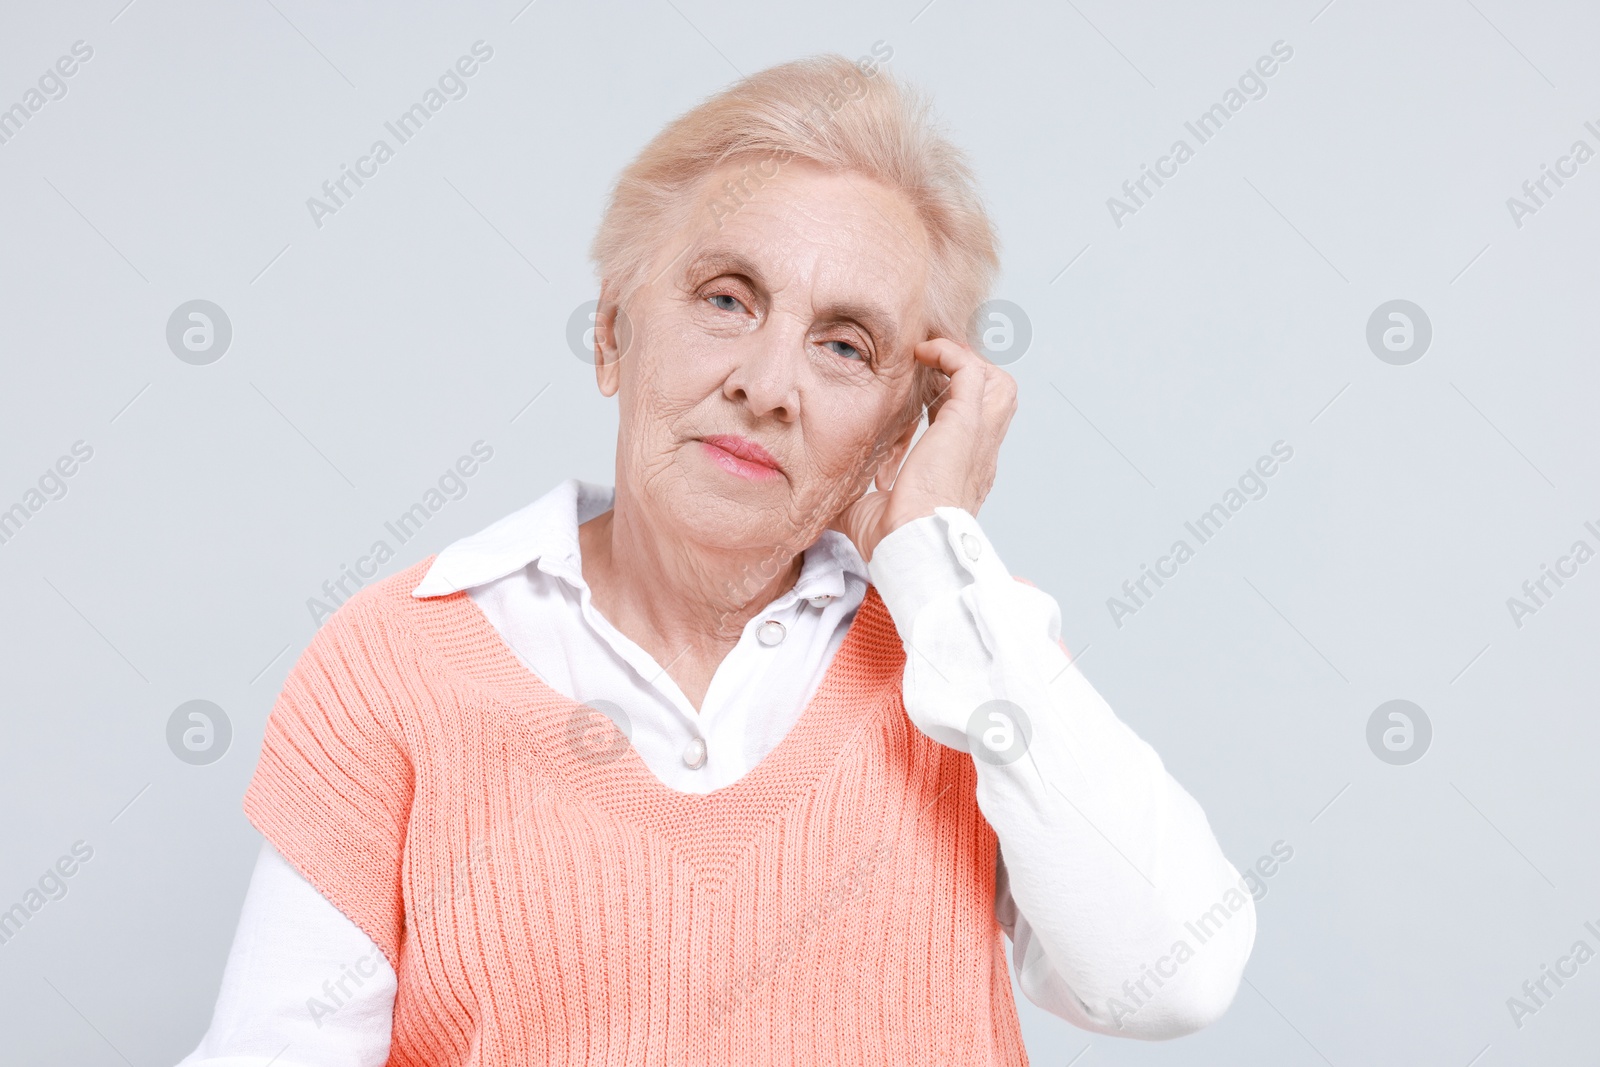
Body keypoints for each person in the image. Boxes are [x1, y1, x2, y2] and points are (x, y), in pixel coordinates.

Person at [178, 52, 1254, 1066]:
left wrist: (939, 561)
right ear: (611, 335)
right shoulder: (400, 660)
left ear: (898, 429)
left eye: (845, 345)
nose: (768, 381)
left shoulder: (967, 653)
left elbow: (1171, 975)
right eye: (727, 298)